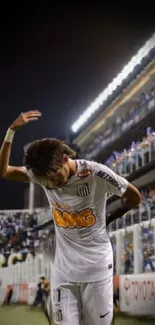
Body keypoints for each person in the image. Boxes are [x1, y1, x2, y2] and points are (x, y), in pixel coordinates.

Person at [0, 111, 141, 325]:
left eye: (55, 177)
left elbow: (134, 196)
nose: (52, 185)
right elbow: (4, 171)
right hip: (63, 271)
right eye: (45, 182)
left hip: (97, 268)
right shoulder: (43, 175)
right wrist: (10, 132)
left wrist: (112, 218)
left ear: (66, 159)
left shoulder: (96, 173)